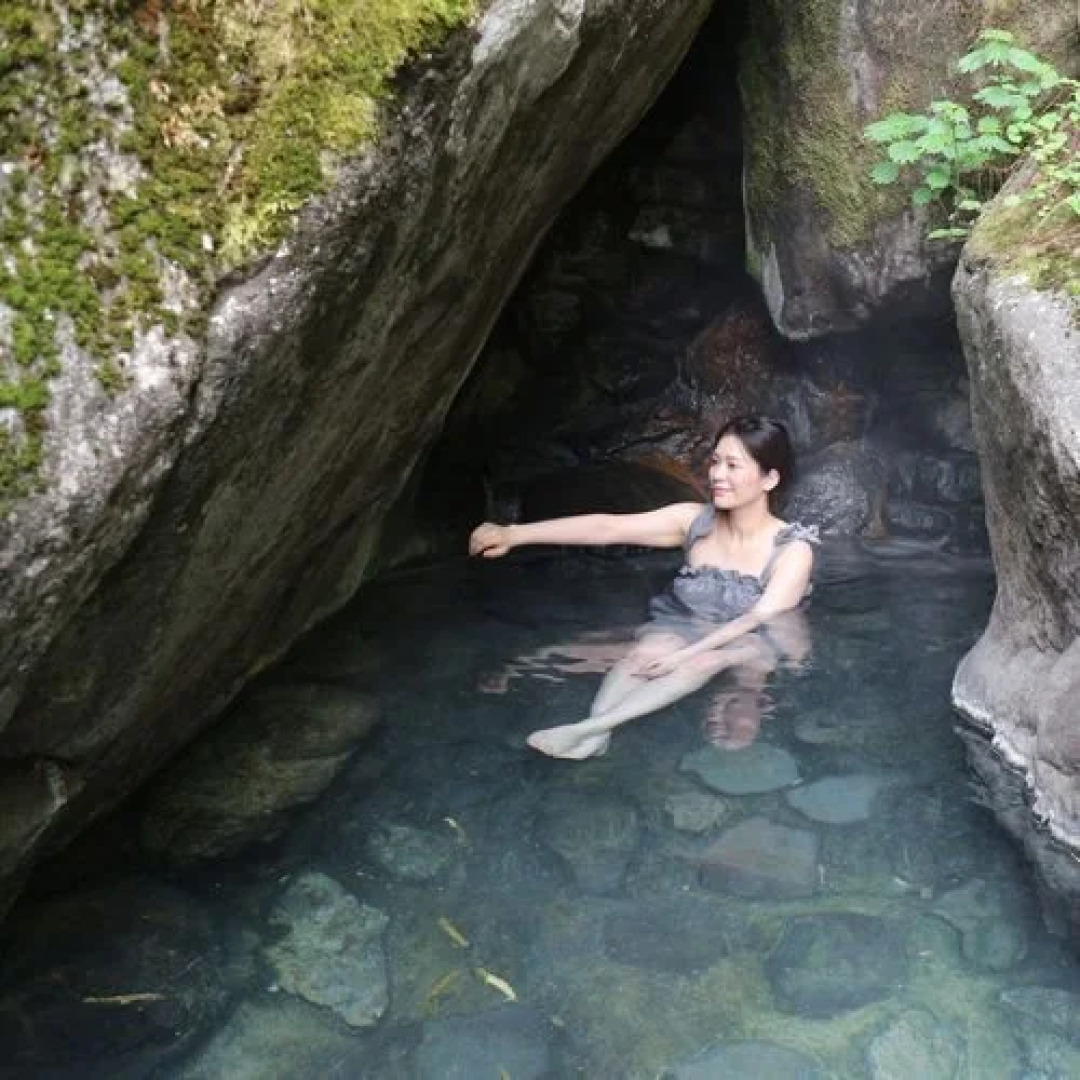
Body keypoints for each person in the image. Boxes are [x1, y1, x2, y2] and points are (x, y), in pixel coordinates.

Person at [468, 416, 818, 759]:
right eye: (715, 462)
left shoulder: (792, 549)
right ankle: (595, 734)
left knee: (706, 661)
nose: (717, 475)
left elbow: (761, 618)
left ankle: (589, 729)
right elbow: (608, 528)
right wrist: (514, 534)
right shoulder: (695, 521)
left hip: (755, 641)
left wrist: (685, 655)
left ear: (769, 478)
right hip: (689, 622)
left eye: (732, 465)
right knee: (644, 653)